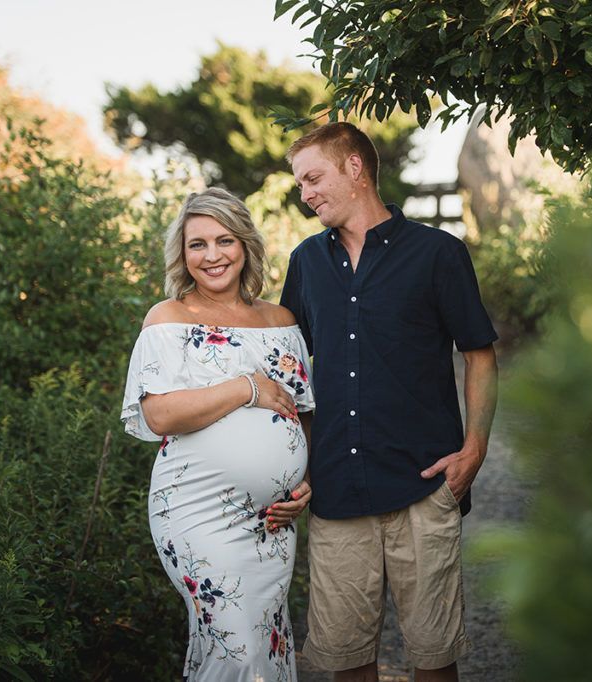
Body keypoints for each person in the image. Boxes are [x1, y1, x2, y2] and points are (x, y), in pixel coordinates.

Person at [281, 122, 499, 682]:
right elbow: (292, 372)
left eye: (313, 178)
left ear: (355, 168)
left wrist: (473, 450)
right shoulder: (306, 263)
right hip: (335, 491)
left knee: (432, 660)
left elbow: (479, 355)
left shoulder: (439, 254)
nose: (304, 194)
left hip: (423, 486)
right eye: (299, 183)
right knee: (347, 662)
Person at [121, 188, 315, 681]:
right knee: (236, 644)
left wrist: (302, 480)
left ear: (245, 244)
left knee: (264, 638)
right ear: (181, 255)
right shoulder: (168, 319)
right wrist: (247, 387)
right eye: (197, 244)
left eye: (224, 240)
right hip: (196, 510)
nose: (212, 256)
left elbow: (302, 413)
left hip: (272, 522)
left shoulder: (281, 322)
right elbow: (160, 414)